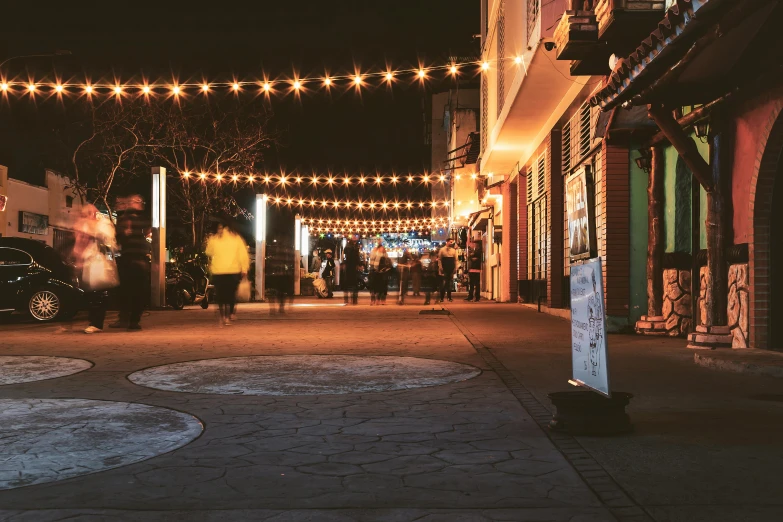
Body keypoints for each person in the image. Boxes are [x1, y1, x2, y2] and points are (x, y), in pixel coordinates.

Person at [72, 205, 118, 333]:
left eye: (87, 213)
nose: (85, 216)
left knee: (98, 294)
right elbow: (80, 242)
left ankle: (96, 323)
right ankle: (94, 321)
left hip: (99, 263)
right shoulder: (86, 224)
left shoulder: (103, 224)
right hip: (88, 263)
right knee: (90, 294)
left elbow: (108, 240)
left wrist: (92, 228)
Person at [111, 195, 150, 331]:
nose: (139, 203)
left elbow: (119, 237)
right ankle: (130, 320)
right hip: (133, 259)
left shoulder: (136, 220)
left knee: (132, 292)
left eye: (140, 201)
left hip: (135, 259)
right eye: (136, 201)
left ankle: (130, 320)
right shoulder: (129, 220)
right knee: (133, 292)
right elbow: (119, 237)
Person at [205, 221, 250, 326]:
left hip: (218, 271)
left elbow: (208, 251)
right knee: (230, 294)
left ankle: (222, 317)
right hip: (232, 271)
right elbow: (243, 254)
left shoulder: (214, 239)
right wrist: (244, 268)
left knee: (221, 295)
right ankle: (229, 315)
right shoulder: (236, 238)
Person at [343, 239, 360, 305]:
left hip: (348, 267)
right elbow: (357, 258)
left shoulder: (347, 248)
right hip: (353, 268)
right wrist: (358, 265)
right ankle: (354, 300)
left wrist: (344, 264)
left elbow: (344, 257)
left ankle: (346, 300)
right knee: (354, 284)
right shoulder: (355, 249)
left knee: (347, 284)